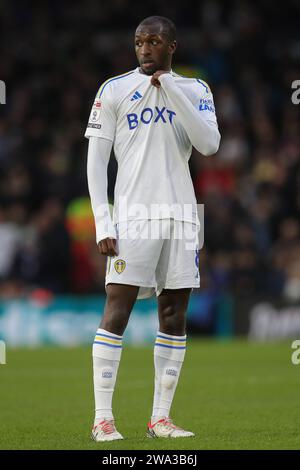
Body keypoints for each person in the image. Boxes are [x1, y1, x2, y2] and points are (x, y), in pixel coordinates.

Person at [85, 15, 220, 441]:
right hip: (133, 215)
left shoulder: (195, 90)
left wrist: (171, 88)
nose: (145, 48)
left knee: (174, 315)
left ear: (172, 46)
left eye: (154, 41)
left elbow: (209, 144)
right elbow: (95, 160)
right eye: (139, 41)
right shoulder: (114, 89)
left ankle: (160, 418)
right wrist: (102, 220)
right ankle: (102, 418)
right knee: (117, 311)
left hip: (182, 217)